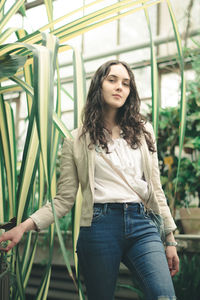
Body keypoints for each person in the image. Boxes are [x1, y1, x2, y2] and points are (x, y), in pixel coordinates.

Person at [0, 60, 179, 300]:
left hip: (143, 224)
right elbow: (63, 200)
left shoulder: (144, 132)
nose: (120, 88)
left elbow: (155, 189)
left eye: (126, 83)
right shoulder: (76, 140)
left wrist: (170, 238)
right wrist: (23, 226)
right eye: (112, 80)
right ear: (99, 85)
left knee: (164, 295)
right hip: (99, 225)